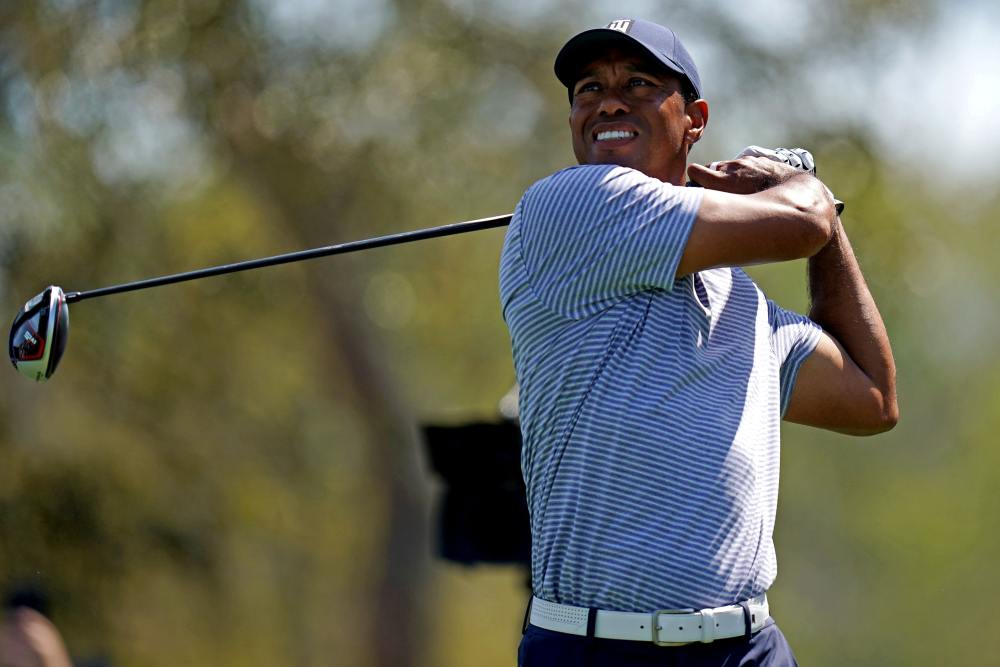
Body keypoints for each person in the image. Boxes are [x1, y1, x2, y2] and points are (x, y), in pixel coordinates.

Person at [499, 18, 897, 666]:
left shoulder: (744, 305)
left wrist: (829, 223)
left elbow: (873, 396)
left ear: (694, 119)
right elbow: (801, 222)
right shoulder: (567, 208)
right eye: (588, 89)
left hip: (746, 649)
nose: (608, 101)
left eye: (639, 83)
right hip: (592, 648)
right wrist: (802, 190)